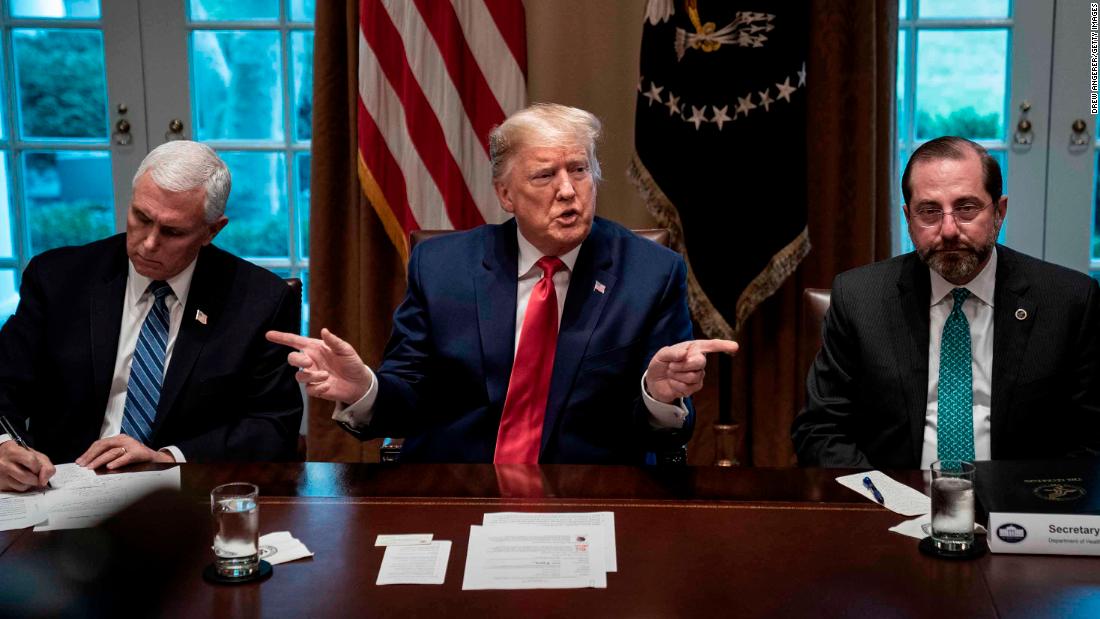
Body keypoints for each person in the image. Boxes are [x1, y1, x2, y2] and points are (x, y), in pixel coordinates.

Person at [268, 103, 737, 464]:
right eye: (544, 175)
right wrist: (363, 389)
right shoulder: (441, 266)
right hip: (458, 486)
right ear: (505, 194)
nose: (568, 190)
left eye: (579, 169)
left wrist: (656, 394)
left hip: (587, 492)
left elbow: (664, 431)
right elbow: (409, 398)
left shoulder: (651, 273)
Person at [0, 141, 303, 491]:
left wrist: (168, 457)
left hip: (183, 498)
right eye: (141, 219)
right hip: (58, 490)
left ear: (212, 230)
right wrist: (5, 448)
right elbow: (4, 382)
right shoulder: (59, 279)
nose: (147, 243)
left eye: (172, 231)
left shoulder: (259, 301)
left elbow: (272, 426)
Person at [792, 136, 1100, 469]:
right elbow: (819, 430)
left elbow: (1092, 438)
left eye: (967, 208)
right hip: (893, 503)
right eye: (930, 212)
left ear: (999, 211)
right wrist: (886, 499)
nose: (949, 229)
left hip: (1018, 507)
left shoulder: (1068, 301)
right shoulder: (860, 298)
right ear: (909, 219)